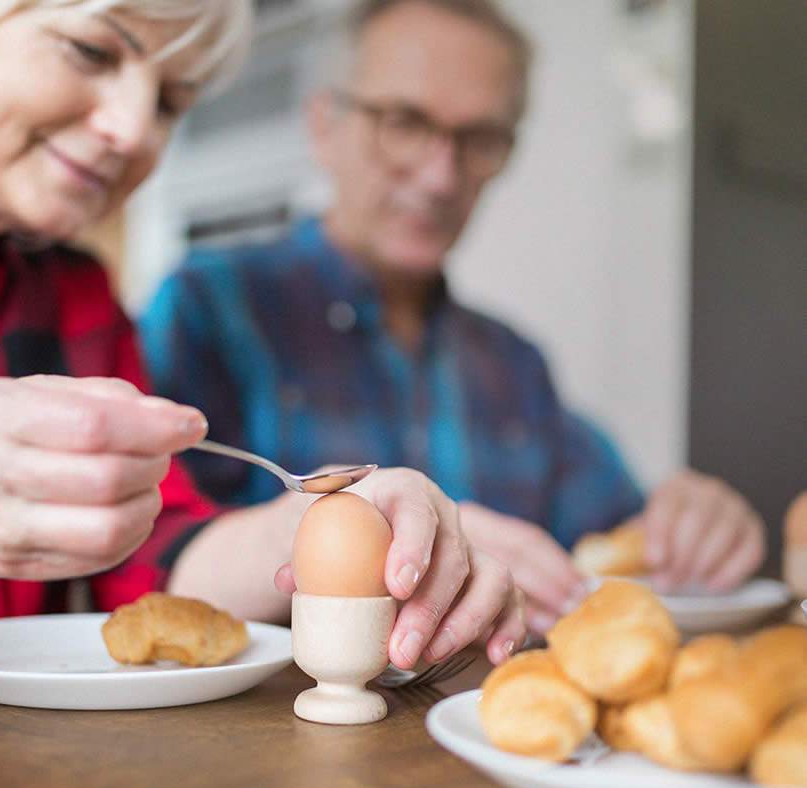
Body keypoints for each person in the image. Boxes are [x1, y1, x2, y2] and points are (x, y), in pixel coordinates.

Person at [0, 0, 526, 671]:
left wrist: (344, 519)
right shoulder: (202, 299)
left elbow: (151, 558)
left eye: (169, 101)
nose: (133, 131)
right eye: (91, 51)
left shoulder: (73, 293)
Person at [140, 0, 766, 636]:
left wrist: (685, 528)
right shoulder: (208, 310)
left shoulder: (514, 365)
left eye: (479, 139)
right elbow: (145, 565)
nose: (442, 176)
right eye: (404, 123)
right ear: (324, 125)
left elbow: (614, 541)